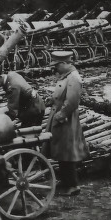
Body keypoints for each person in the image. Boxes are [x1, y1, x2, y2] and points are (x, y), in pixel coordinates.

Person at [43, 50, 90, 195]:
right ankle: (65, 181)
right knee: (61, 151)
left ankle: (73, 185)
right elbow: (61, 95)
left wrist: (60, 114)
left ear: (64, 63)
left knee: (67, 152)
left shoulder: (74, 78)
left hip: (66, 120)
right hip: (60, 118)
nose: (55, 68)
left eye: (57, 65)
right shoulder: (66, 76)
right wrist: (51, 99)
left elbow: (72, 102)